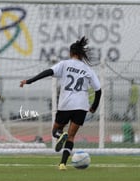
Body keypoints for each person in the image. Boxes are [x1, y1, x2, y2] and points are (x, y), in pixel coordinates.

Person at [19, 36, 102, 170]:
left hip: (66, 104)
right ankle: (62, 163)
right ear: (81, 55)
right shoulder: (88, 70)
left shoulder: (64, 64)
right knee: (71, 136)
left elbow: (48, 72)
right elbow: (98, 90)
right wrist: (94, 107)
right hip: (81, 106)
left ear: (70, 53)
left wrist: (29, 81)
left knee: (54, 131)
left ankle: (59, 135)